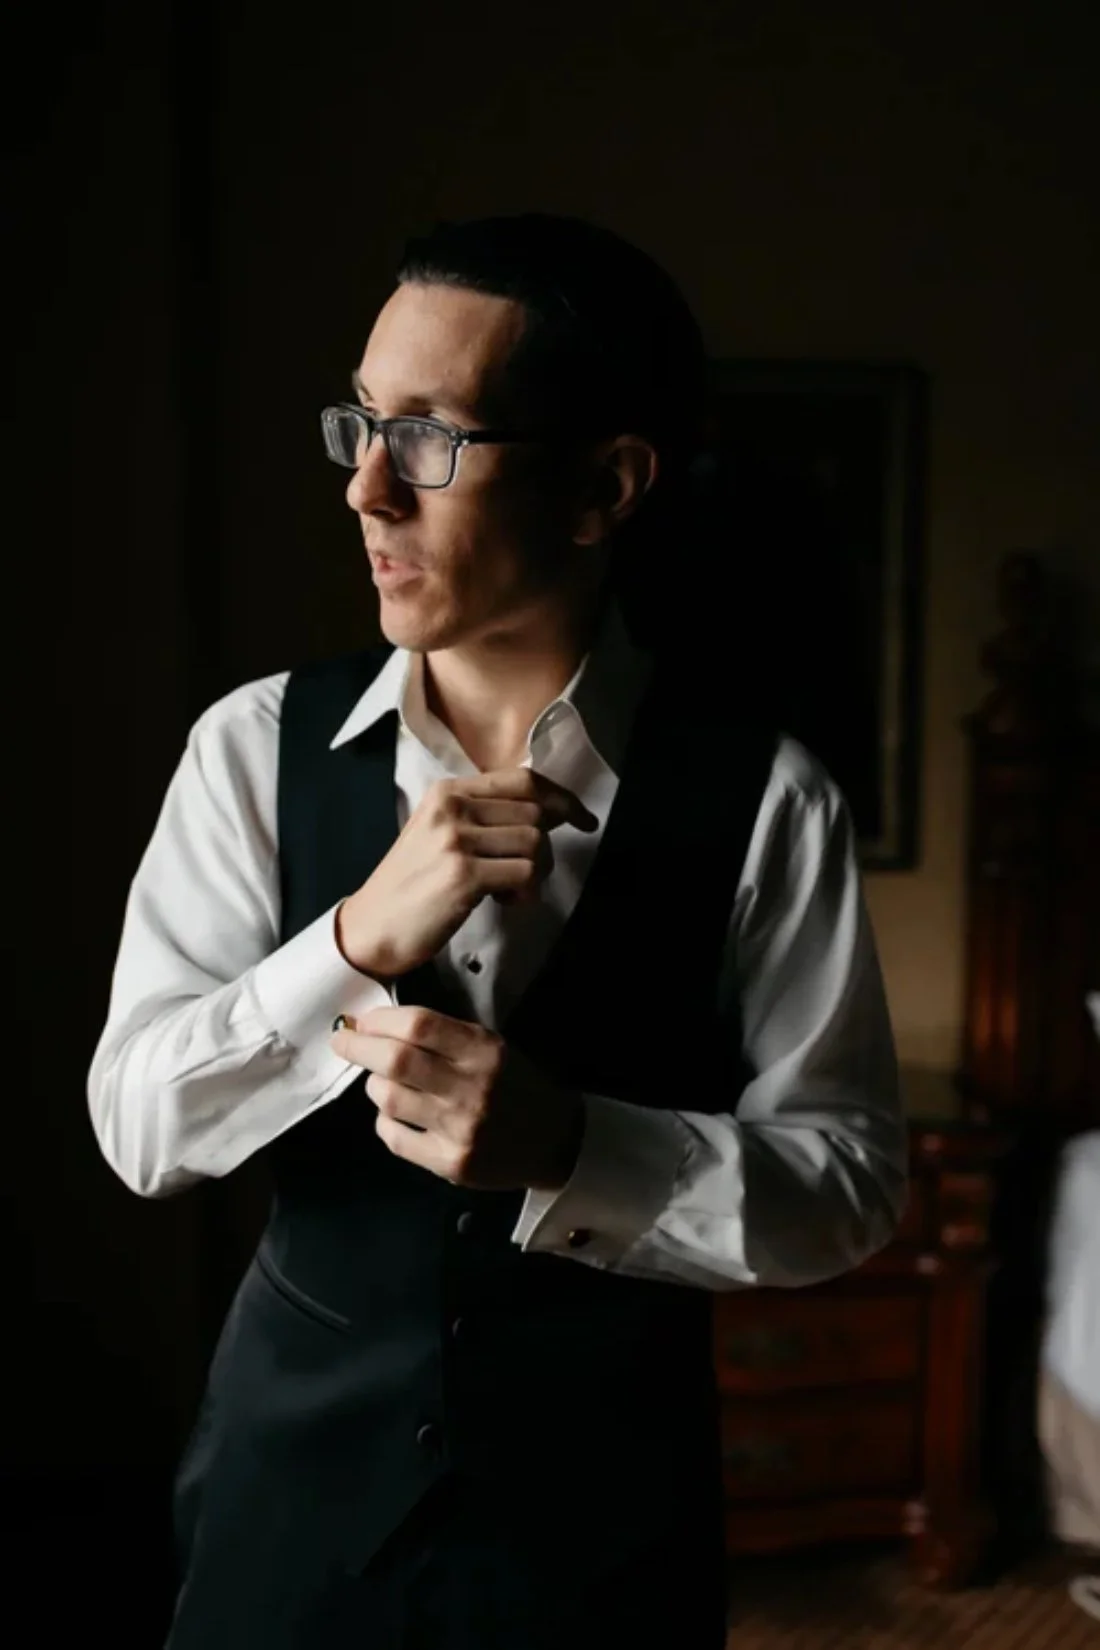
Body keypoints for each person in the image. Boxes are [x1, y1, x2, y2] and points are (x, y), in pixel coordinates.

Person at [87, 213, 906, 1650]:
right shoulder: (250, 750)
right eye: (359, 421)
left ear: (605, 486)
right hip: (289, 1496)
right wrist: (348, 938)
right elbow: (139, 1126)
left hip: (604, 1525)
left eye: (429, 437)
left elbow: (848, 1185)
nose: (363, 489)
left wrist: (575, 1146)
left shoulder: (770, 800)